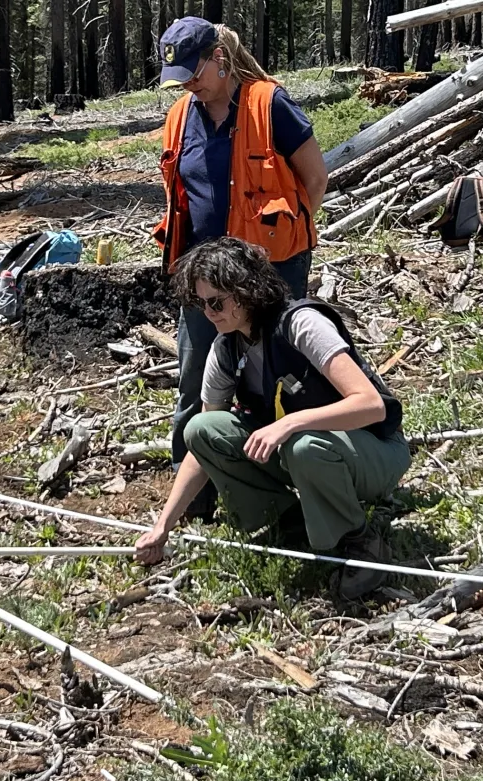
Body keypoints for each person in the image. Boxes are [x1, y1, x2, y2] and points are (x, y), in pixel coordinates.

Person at [133, 237, 410, 600]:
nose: (209, 312)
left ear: (247, 291)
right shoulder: (226, 348)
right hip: (305, 452)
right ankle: (290, 523)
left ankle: (359, 544)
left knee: (304, 444)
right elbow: (201, 447)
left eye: (216, 302)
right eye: (200, 304)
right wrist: (162, 526)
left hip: (372, 452)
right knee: (201, 429)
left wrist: (290, 422)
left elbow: (371, 405)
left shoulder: (301, 325)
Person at [153, 17, 328, 488]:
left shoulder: (269, 105)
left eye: (195, 72)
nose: (188, 84)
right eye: (180, 78)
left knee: (276, 369)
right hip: (203, 274)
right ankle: (190, 481)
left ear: (221, 60)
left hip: (271, 270)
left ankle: (288, 473)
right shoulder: (178, 118)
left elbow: (315, 178)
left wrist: (283, 234)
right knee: (194, 373)